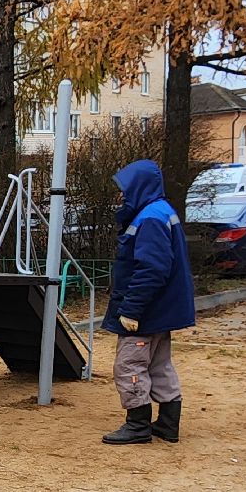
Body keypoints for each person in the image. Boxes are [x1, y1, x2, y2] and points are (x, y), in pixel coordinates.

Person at [101, 159, 195, 444]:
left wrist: (131, 309)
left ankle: (138, 424)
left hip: (146, 312)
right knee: (159, 364)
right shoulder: (160, 211)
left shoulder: (149, 218)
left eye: (124, 189)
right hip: (161, 310)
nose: (121, 195)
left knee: (129, 365)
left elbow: (152, 268)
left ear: (138, 187)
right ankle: (168, 422)